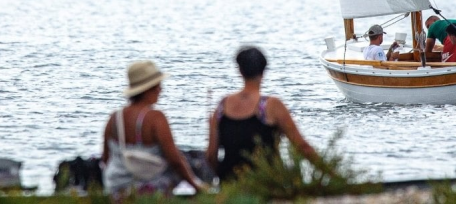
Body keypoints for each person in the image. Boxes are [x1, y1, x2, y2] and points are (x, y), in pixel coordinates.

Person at [207, 47, 318, 183]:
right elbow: (303, 147)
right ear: (263, 71)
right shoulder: (272, 106)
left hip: (230, 184)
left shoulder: (222, 106)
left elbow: (211, 155)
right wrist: (333, 176)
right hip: (266, 185)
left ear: (240, 71)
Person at [102, 60, 208, 197]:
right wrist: (196, 185)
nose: (160, 90)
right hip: (150, 189)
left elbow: (106, 158)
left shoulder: (114, 118)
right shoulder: (155, 118)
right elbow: (175, 161)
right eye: (157, 86)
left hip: (115, 189)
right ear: (147, 89)